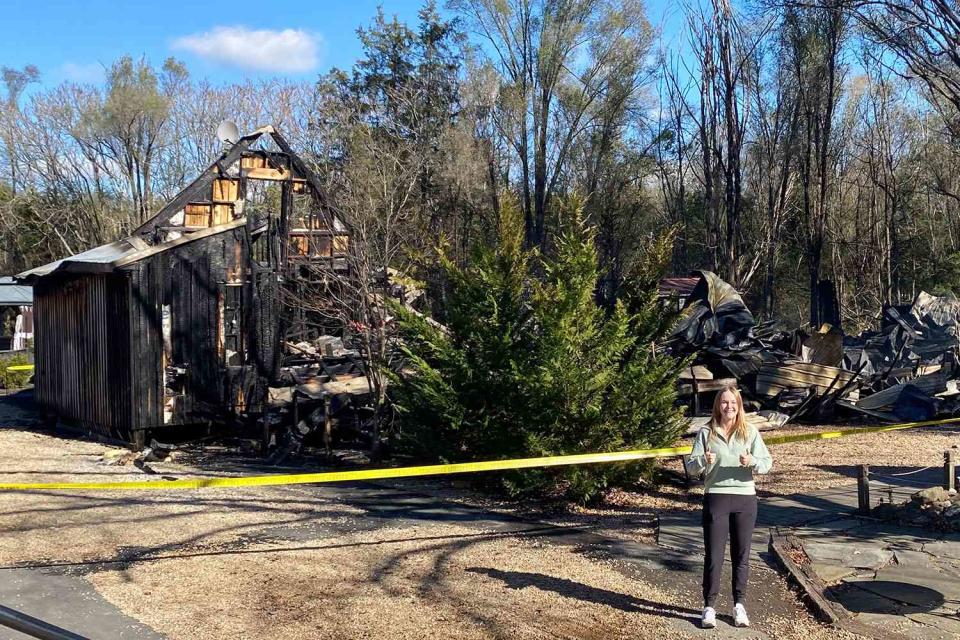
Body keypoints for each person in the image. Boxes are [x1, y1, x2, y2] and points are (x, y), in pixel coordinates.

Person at [685, 384, 772, 629]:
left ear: (739, 406)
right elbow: (691, 467)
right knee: (713, 555)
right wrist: (703, 460)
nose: (729, 407)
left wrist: (752, 461)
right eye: (724, 402)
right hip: (716, 497)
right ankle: (709, 607)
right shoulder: (706, 432)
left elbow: (767, 463)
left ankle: (739, 606)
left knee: (741, 555)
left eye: (733, 403)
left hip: (745, 498)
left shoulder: (750, 432)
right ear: (717, 406)